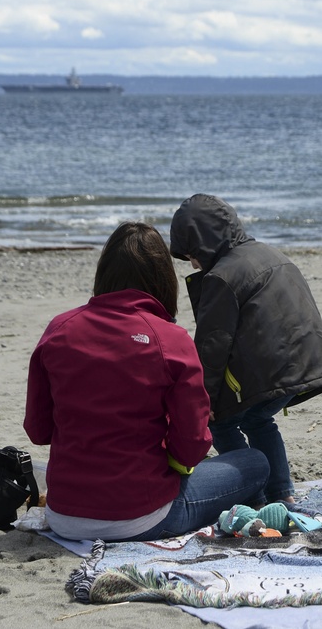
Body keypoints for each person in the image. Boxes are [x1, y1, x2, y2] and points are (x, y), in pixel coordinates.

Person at [24, 221, 269, 541]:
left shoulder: (59, 329)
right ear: (162, 280)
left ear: (104, 274)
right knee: (255, 462)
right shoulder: (170, 340)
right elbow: (191, 447)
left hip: (65, 515)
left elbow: (38, 431)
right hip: (142, 515)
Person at [169, 194, 322, 506]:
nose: (192, 262)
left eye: (191, 254)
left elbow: (213, 344)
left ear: (204, 242)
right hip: (310, 358)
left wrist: (204, 398)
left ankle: (256, 491)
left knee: (221, 421)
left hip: (275, 369)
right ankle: (282, 494)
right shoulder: (270, 253)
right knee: (257, 420)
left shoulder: (221, 276)